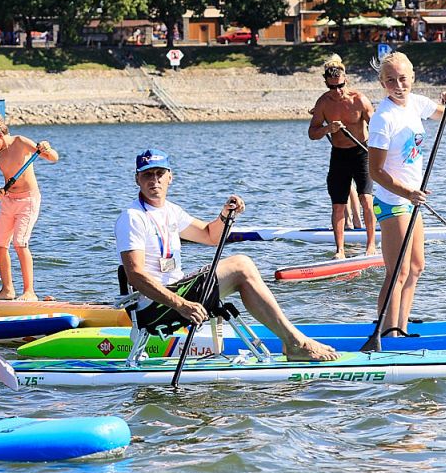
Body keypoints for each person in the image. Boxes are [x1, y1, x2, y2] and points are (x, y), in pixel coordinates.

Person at [115, 149, 338, 362]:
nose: (154, 180)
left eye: (159, 174)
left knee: (243, 266)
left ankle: (293, 341)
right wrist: (182, 305)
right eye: (147, 175)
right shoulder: (133, 217)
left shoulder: (171, 211)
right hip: (157, 307)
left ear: (170, 177)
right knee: (241, 265)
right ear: (137, 180)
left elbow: (211, 236)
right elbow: (135, 275)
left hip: (177, 292)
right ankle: (295, 343)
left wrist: (225, 215)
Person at [368, 52, 446, 337]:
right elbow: (376, 172)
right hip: (393, 201)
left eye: (403, 79)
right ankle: (387, 333)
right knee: (397, 271)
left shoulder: (416, 104)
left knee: (415, 268)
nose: (398, 85)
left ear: (412, 77)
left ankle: (402, 326)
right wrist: (408, 191)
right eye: (390, 81)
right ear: (382, 83)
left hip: (412, 201)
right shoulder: (382, 118)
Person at [0, 112, 59, 302]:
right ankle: (7, 290)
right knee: (0, 244)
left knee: (20, 243)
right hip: (8, 201)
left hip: (28, 200)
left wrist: (46, 147)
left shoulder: (20, 142)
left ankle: (30, 292)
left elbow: (53, 158)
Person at [307, 55, 377, 258]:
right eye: (332, 87)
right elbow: (312, 133)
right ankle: (340, 250)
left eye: (340, 86)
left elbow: (377, 127)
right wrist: (328, 128)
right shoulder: (323, 103)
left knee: (366, 200)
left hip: (361, 153)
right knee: (338, 205)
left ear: (346, 80)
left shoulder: (359, 100)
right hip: (339, 156)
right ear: (326, 84)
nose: (337, 91)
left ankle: (371, 246)